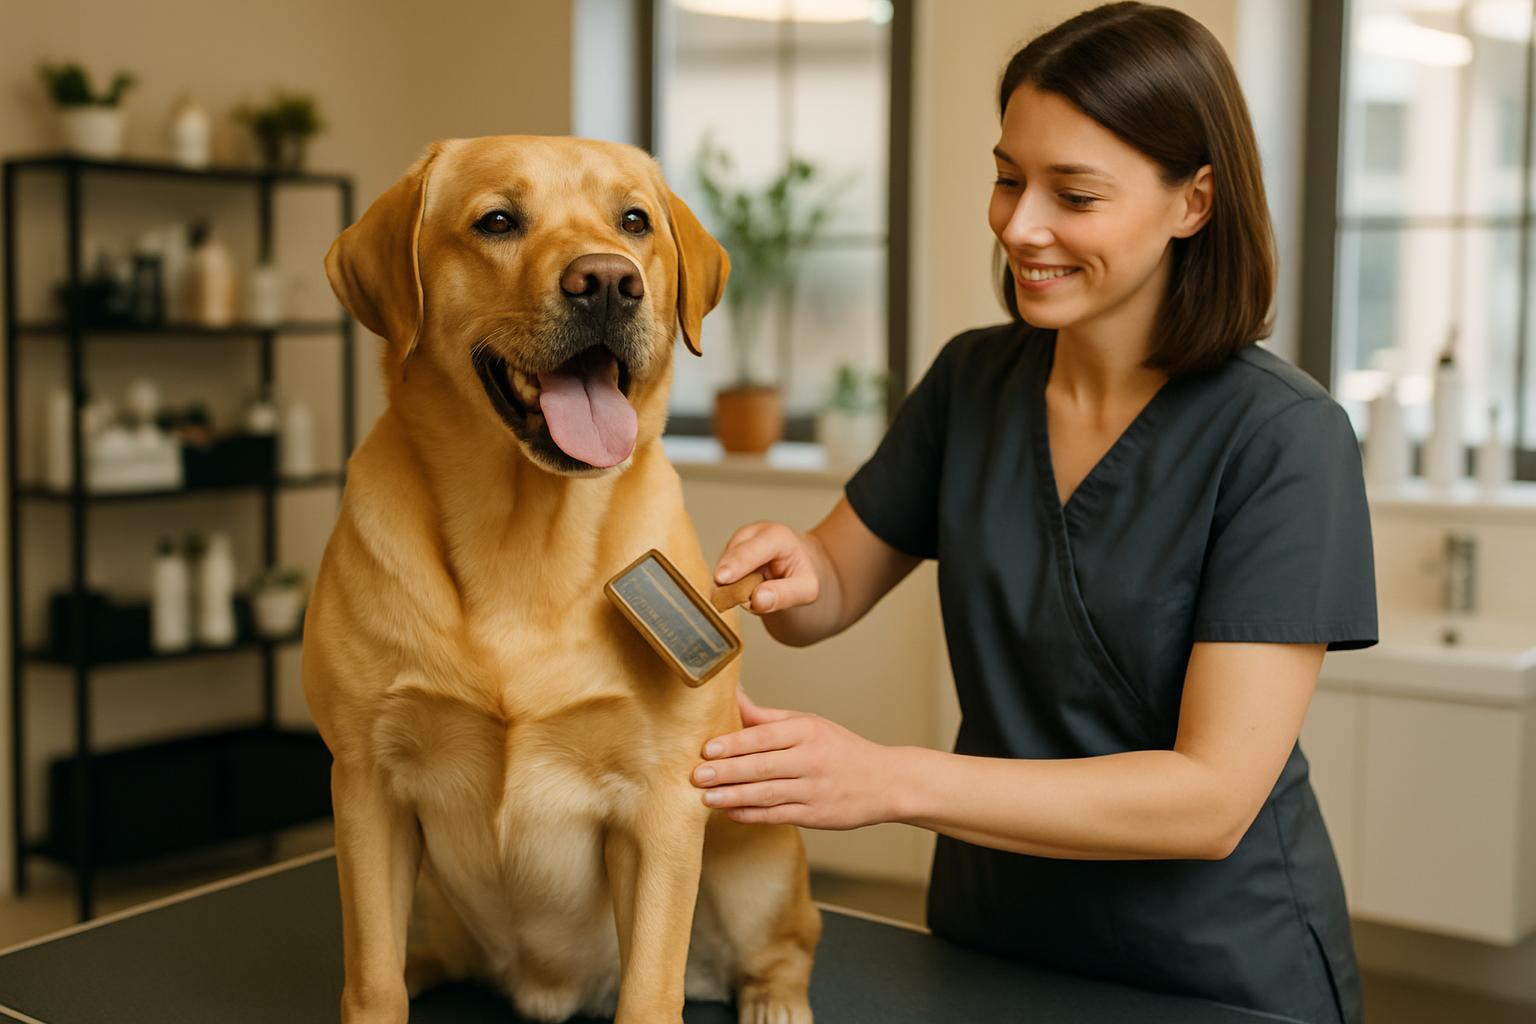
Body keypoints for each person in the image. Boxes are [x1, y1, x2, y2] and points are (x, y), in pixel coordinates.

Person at [687, 4, 1376, 1023]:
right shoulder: (975, 382)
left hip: (1215, 965)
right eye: (1009, 176)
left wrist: (889, 780)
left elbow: (1212, 797)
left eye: (1075, 194)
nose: (1018, 224)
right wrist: (793, 564)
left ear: (1194, 202)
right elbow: (824, 593)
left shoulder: (1284, 438)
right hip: (992, 936)